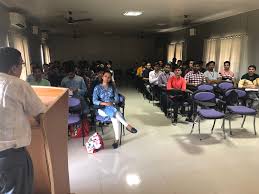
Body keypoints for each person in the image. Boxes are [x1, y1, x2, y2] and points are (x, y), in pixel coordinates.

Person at [0, 47, 46, 194]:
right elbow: (39, 113)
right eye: (21, 64)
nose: (21, 68)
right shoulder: (18, 84)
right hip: (11, 155)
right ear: (14, 67)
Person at [93, 71, 138, 149]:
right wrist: (105, 103)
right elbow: (94, 100)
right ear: (102, 77)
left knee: (115, 118)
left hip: (113, 106)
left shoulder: (113, 87)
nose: (107, 78)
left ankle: (117, 140)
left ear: (110, 79)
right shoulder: (97, 87)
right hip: (102, 109)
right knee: (115, 113)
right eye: (105, 76)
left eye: (109, 77)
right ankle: (127, 125)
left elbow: (117, 99)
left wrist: (112, 102)